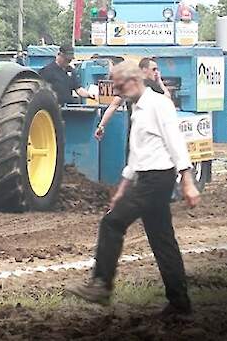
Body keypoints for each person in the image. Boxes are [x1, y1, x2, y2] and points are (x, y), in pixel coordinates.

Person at [66, 62, 200, 317]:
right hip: (147, 178)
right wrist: (122, 189)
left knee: (112, 223)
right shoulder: (137, 108)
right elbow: (137, 156)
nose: (117, 91)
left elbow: (176, 142)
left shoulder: (159, 104)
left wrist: (188, 181)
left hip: (157, 179)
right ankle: (180, 303)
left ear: (133, 80)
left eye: (119, 86)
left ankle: (101, 285)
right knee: (162, 240)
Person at [95, 57, 170, 140]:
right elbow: (167, 98)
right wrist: (159, 81)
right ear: (144, 70)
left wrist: (101, 126)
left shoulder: (131, 86)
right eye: (154, 69)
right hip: (149, 137)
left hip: (134, 135)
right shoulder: (152, 86)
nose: (156, 73)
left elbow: (113, 106)